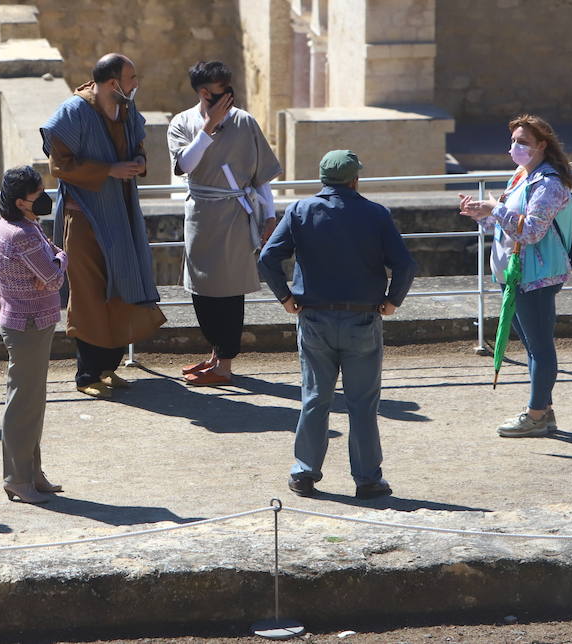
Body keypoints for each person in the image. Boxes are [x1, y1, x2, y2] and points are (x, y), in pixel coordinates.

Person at [258, 150, 416, 499]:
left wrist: (285, 298)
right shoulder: (375, 214)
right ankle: (367, 479)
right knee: (362, 403)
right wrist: (393, 301)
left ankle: (304, 473)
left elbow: (269, 257)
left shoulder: (300, 211)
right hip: (362, 317)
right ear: (355, 179)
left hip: (314, 316)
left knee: (315, 398)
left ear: (322, 179)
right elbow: (405, 264)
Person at [41, 53, 166, 399]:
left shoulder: (125, 110)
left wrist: (138, 162)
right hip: (85, 217)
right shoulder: (73, 112)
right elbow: (59, 166)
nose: (135, 83)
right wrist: (108, 171)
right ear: (114, 84)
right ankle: (86, 374)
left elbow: (138, 147)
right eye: (131, 78)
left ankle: (108, 367)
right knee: (88, 295)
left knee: (120, 285)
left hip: (120, 213)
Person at [459, 114, 572, 438]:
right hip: (515, 274)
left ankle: (536, 414)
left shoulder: (549, 183)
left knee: (538, 347)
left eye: (522, 141)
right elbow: (507, 224)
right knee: (531, 344)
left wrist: (494, 209)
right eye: (513, 141)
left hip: (535, 276)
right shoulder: (522, 176)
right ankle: (544, 410)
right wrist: (482, 214)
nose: (515, 147)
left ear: (541, 145)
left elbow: (532, 230)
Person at [167, 60, 282, 386]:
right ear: (205, 93)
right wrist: (208, 129)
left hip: (235, 215)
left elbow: (261, 177)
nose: (230, 97)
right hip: (201, 216)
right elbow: (185, 165)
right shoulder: (182, 123)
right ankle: (216, 355)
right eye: (223, 92)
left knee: (230, 291)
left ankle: (225, 365)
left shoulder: (245, 122)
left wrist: (270, 215)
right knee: (201, 289)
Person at [0, 166, 68, 504]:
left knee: (31, 402)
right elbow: (54, 277)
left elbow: (52, 259)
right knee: (24, 403)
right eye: (38, 194)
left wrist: (55, 260)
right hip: (30, 324)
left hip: (27, 321)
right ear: (22, 202)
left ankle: (31, 474)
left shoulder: (16, 226)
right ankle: (18, 479)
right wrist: (60, 261)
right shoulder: (21, 234)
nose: (44, 199)